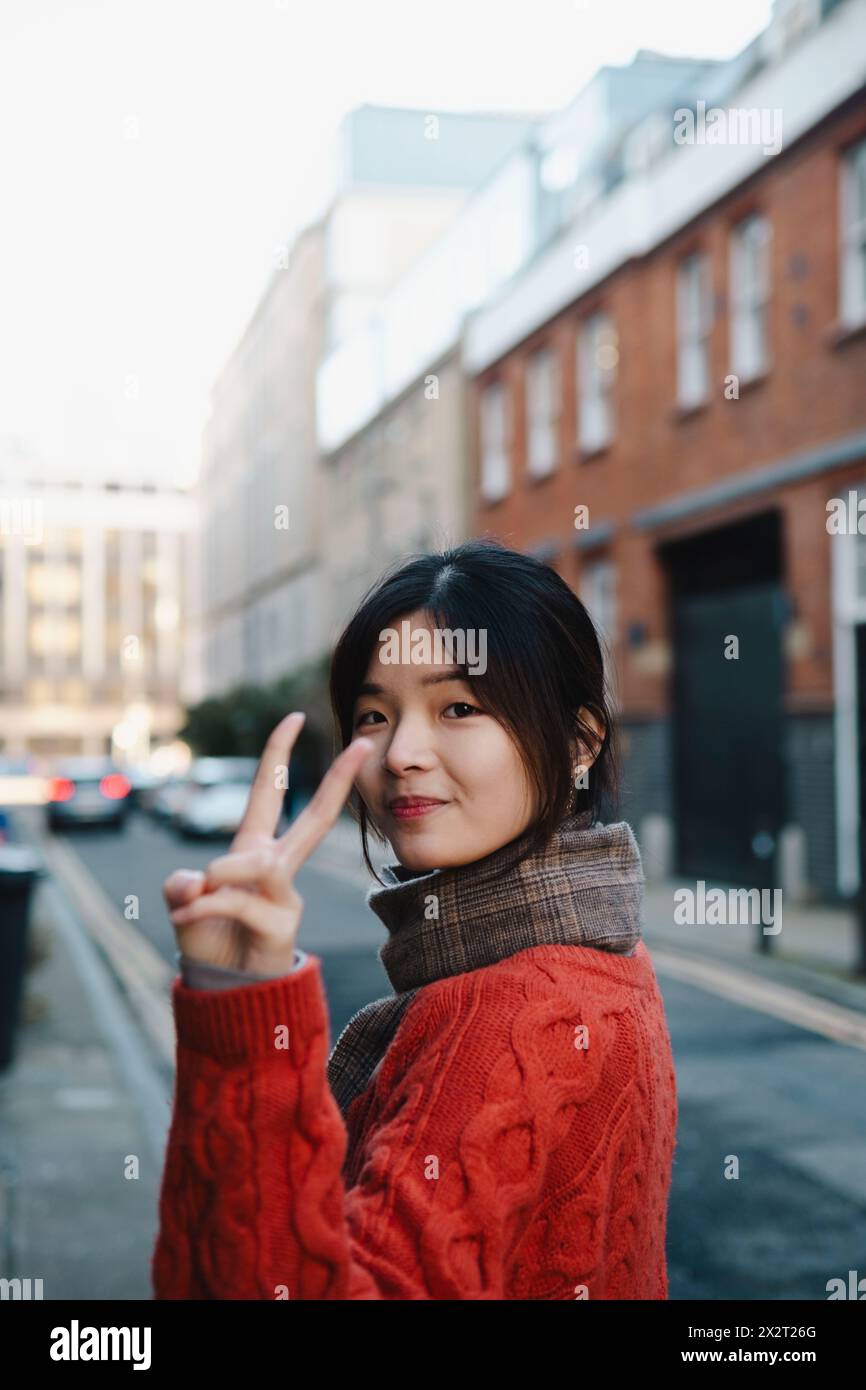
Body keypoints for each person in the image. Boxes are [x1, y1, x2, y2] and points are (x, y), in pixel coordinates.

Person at [152, 539, 678, 1300]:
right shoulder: (603, 951)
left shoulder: (513, 1011)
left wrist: (243, 1014)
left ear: (579, 744)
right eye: (374, 714)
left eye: (458, 707)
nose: (401, 753)